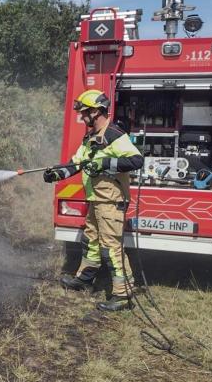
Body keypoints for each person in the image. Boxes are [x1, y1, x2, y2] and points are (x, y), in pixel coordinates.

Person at [43, 89, 144, 312]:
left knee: (111, 248)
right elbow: (76, 163)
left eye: (85, 112)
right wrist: (57, 174)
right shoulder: (90, 138)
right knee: (91, 241)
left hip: (111, 202)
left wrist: (105, 163)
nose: (82, 116)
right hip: (96, 200)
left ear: (96, 112)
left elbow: (137, 160)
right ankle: (85, 279)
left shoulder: (115, 135)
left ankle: (122, 295)